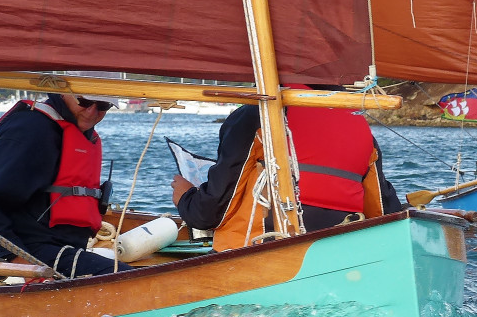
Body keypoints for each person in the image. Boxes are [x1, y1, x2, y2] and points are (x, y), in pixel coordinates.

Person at [171, 97, 402, 251]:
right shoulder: (359, 127)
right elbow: (386, 215)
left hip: (256, 255)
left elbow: (210, 213)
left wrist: (186, 197)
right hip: (338, 254)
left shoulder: (255, 117)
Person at [0, 91, 121, 277]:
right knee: (127, 279)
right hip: (28, 251)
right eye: (84, 101)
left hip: (60, 251)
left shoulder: (74, 130)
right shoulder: (32, 129)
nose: (91, 111)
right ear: (62, 93)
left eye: (103, 106)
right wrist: (15, 259)